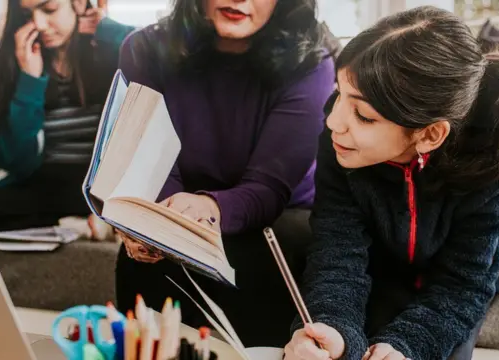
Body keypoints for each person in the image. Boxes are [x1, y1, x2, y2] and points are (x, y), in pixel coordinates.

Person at [284, 6, 499, 360]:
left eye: (363, 115)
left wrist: (406, 347)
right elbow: (337, 251)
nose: (334, 122)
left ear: (430, 134)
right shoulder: (341, 139)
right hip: (381, 259)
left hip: (459, 281)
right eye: (339, 94)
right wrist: (333, 328)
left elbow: (464, 283)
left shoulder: (494, 158)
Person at [114, 0, 336, 348]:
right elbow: (152, 164)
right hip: (180, 205)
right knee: (145, 254)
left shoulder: (311, 63)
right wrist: (156, 221)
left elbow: (267, 187)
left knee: (259, 254)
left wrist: (207, 209)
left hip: (273, 220)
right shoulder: (144, 49)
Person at [0, 0, 135, 233]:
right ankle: (76, 223)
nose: (38, 24)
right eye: (27, 15)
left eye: (49, 9)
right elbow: (18, 164)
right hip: (41, 185)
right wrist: (29, 82)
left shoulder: (112, 51)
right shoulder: (14, 63)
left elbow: (163, 54)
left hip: (98, 186)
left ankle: (79, 220)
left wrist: (107, 28)